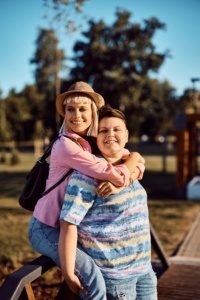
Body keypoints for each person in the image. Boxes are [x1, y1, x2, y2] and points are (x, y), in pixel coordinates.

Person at [28, 82, 145, 299]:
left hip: (71, 230)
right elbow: (118, 172)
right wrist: (127, 171)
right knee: (94, 283)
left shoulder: (90, 142)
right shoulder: (66, 146)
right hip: (46, 228)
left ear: (93, 111)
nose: (76, 115)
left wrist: (136, 159)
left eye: (83, 109)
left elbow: (129, 159)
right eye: (70, 109)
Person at [59, 106, 157, 300]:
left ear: (127, 135)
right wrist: (69, 273)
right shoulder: (87, 174)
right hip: (115, 279)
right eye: (103, 130)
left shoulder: (131, 166)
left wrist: (134, 159)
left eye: (116, 129)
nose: (110, 134)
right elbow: (68, 223)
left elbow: (126, 173)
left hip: (144, 271)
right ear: (95, 137)